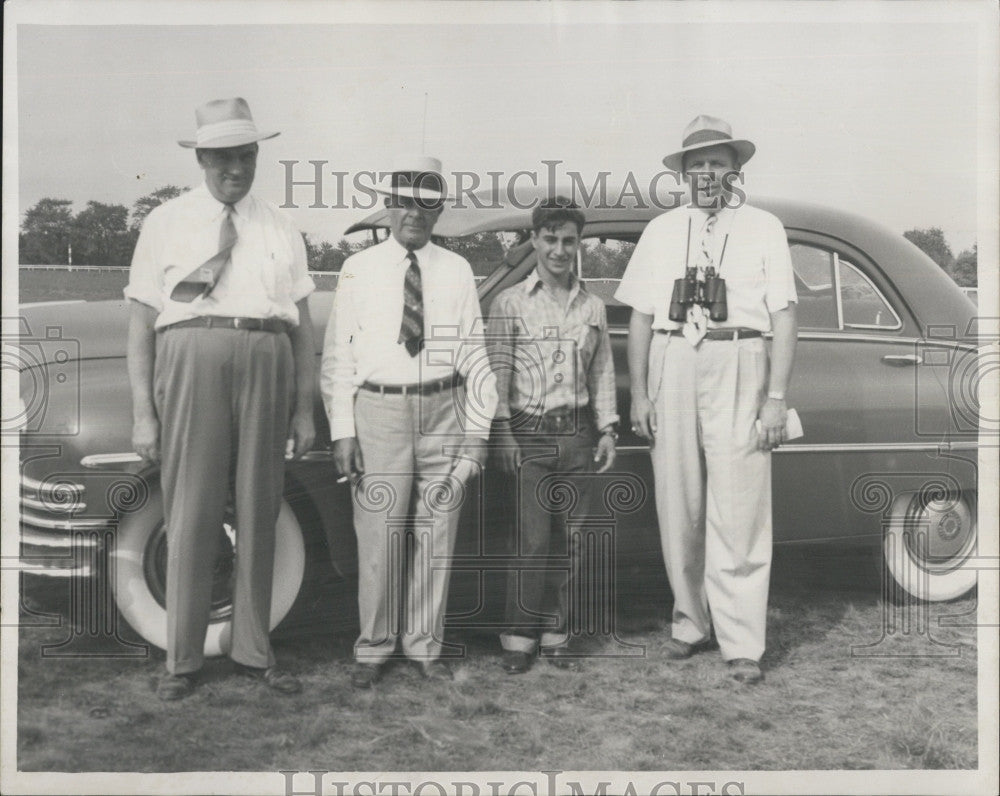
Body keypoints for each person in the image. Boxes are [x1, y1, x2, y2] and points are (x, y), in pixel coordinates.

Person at [125, 97, 316, 701]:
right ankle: (182, 661)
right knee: (192, 511)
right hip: (191, 356)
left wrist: (304, 407)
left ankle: (253, 652)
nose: (237, 166)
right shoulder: (166, 220)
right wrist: (142, 412)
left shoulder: (281, 225)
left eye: (247, 154)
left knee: (260, 508)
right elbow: (139, 322)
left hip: (267, 356)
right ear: (203, 157)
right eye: (225, 156)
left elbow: (302, 324)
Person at [615, 115, 798, 684]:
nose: (706, 175)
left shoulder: (765, 227)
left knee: (739, 506)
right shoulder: (662, 230)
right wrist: (642, 391)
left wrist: (775, 397)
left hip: (739, 357)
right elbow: (640, 318)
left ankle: (743, 642)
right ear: (682, 176)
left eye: (717, 164)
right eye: (696, 166)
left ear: (735, 171)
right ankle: (690, 622)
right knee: (680, 503)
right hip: (674, 359)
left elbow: (784, 317)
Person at [321, 155, 497, 687]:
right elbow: (337, 358)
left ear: (439, 210)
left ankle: (425, 646)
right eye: (402, 203)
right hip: (378, 411)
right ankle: (374, 647)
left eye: (426, 203)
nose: (413, 214)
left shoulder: (458, 269)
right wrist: (342, 431)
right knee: (379, 532)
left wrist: (478, 432)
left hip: (444, 408)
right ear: (388, 208)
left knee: (436, 531)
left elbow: (475, 356)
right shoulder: (359, 269)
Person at [489, 197, 619, 674]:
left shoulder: (592, 305)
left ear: (577, 244)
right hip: (529, 433)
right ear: (534, 241)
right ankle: (519, 638)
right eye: (550, 239)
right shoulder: (511, 304)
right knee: (531, 539)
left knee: (573, 539)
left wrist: (606, 428)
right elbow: (498, 372)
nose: (560, 250)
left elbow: (601, 370)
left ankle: (555, 633)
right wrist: (503, 432)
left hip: (578, 433)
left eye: (568, 240)